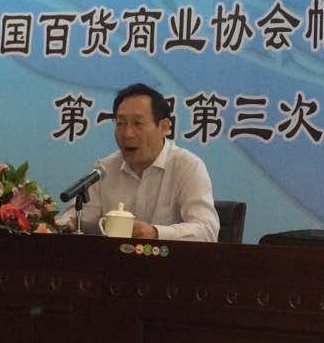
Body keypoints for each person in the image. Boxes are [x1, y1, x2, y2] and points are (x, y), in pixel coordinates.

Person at [62, 82, 219, 241]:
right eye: (121, 123)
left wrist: (156, 233)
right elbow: (80, 219)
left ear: (164, 127)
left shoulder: (188, 166)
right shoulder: (105, 169)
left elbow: (207, 230)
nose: (127, 134)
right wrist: (68, 223)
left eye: (138, 123)